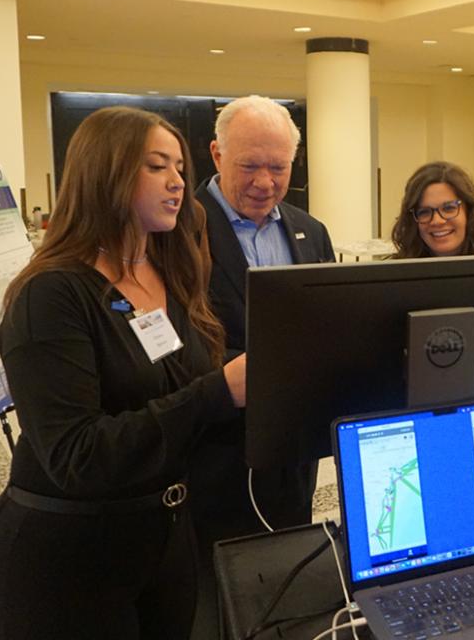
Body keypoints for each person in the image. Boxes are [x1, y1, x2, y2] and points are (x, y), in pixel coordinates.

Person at [0, 107, 245, 639]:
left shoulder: (167, 272)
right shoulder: (50, 295)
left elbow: (177, 396)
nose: (177, 183)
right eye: (155, 166)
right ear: (105, 173)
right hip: (66, 561)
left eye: (180, 169)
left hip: (161, 540)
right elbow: (77, 455)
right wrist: (218, 392)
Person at [190, 96, 334, 625]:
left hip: (292, 449)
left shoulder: (309, 230)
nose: (265, 182)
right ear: (216, 154)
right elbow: (172, 342)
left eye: (279, 168)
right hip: (213, 448)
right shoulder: (177, 232)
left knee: (284, 571)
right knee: (217, 589)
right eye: (249, 165)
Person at [390, 161, 474, 257]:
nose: (437, 221)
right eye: (424, 212)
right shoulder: (391, 275)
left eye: (449, 208)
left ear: (469, 212)